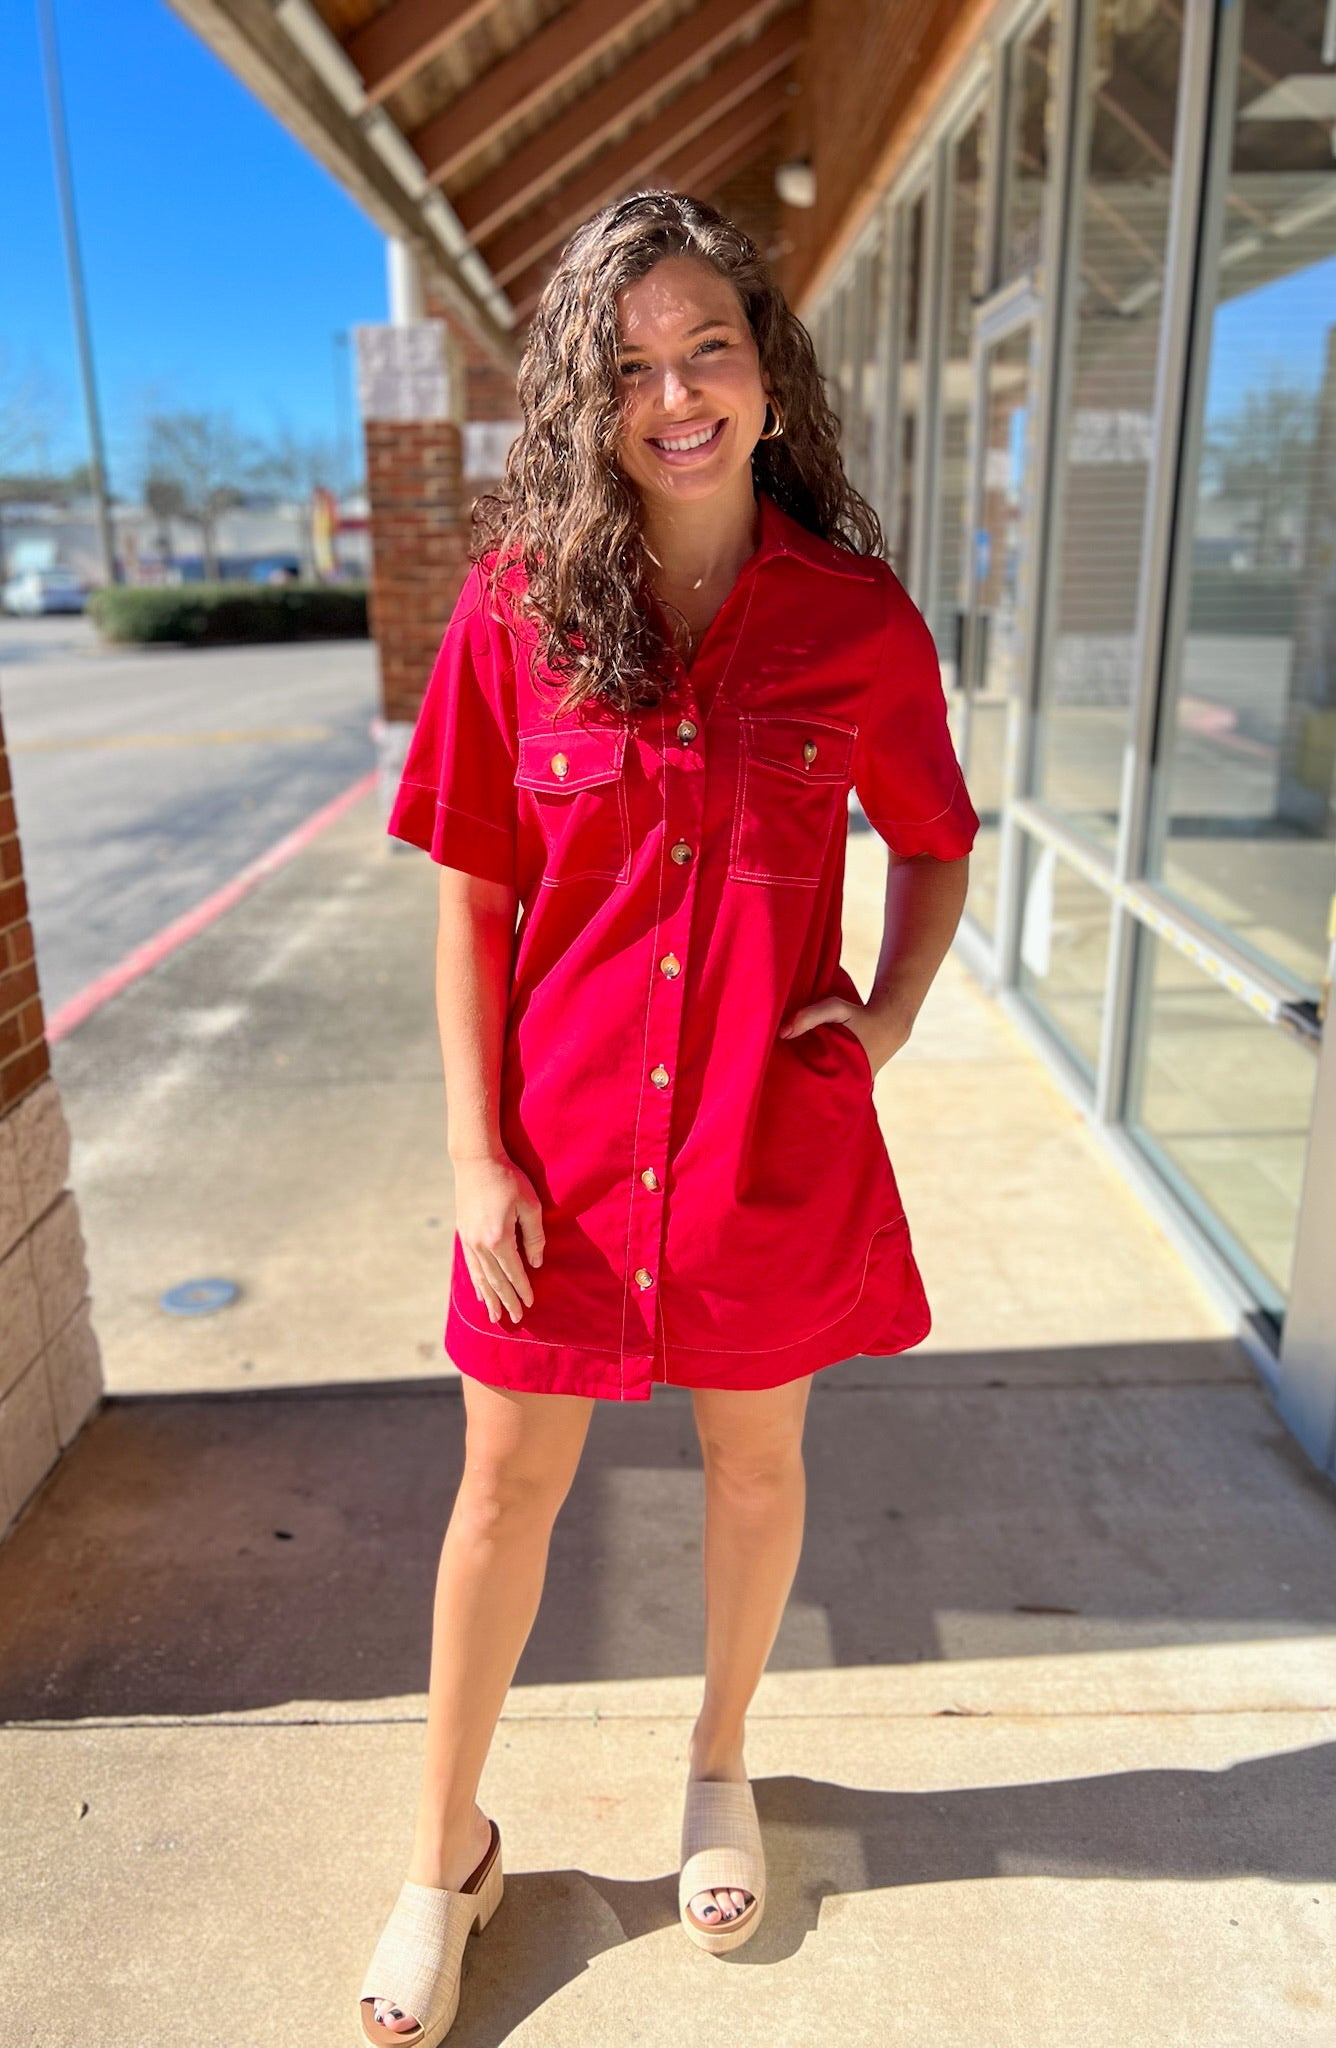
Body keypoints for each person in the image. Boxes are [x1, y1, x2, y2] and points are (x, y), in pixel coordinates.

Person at [356, 187, 979, 2046]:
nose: (676, 391)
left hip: (759, 1156)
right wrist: (474, 1153)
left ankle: (720, 1765)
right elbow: (471, 887)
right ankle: (441, 1851)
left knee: (755, 1470)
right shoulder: (517, 607)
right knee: (501, 1497)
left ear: (770, 379)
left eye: (709, 347)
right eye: (630, 365)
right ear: (589, 398)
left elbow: (939, 846)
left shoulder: (856, 625)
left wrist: (880, 1019)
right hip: (553, 1158)